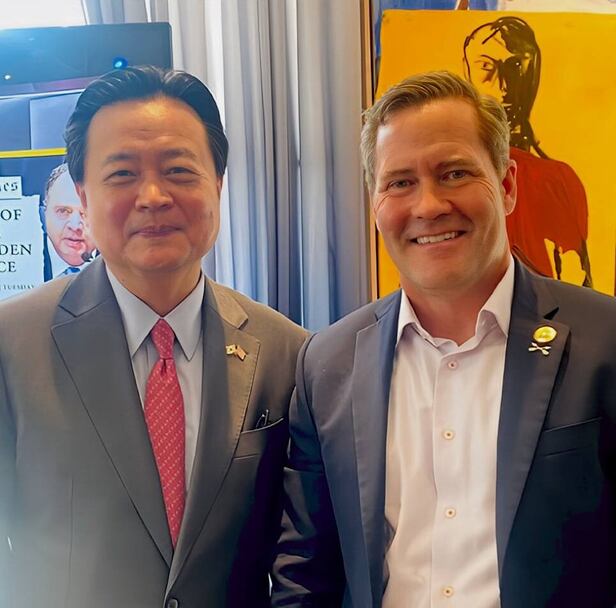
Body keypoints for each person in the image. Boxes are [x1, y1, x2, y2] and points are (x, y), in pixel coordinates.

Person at [272, 71, 616, 607]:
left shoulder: (604, 340)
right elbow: (305, 571)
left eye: (454, 173)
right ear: (375, 203)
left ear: (507, 185)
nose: (428, 206)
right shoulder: (329, 363)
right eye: (399, 182)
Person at [0, 65, 307, 608]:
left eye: (179, 170)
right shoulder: (12, 345)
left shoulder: (287, 352)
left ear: (218, 185)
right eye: (121, 174)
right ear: (83, 196)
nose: (152, 196)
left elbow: (301, 557)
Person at [463, 16, 593, 287]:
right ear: (467, 73)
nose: (503, 87)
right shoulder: (448, 179)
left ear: (533, 72)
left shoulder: (555, 179)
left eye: (515, 67)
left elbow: (576, 284)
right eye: (486, 67)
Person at [42, 162, 96, 279]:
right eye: (63, 211)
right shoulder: (21, 262)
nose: (75, 226)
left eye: (86, 213)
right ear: (44, 212)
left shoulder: (122, 264)